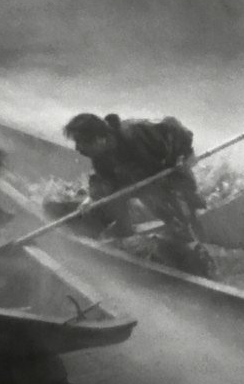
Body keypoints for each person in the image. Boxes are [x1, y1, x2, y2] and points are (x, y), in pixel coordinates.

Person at [63, 112, 215, 277]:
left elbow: (173, 127)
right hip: (147, 188)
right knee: (170, 221)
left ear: (99, 138)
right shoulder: (100, 157)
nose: (78, 149)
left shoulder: (134, 132)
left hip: (171, 175)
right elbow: (104, 181)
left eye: (81, 142)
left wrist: (184, 154)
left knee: (187, 218)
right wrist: (91, 198)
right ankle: (167, 249)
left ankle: (208, 261)